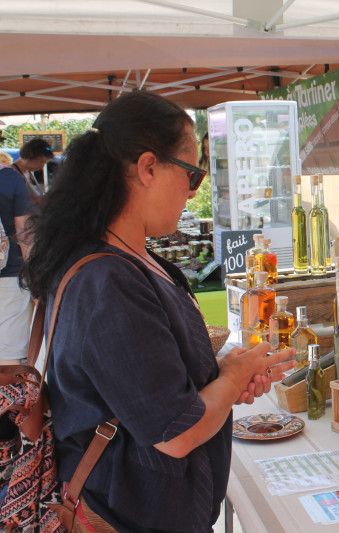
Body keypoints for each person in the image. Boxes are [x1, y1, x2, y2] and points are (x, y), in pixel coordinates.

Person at [20, 91, 295, 531]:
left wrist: (222, 375)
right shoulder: (107, 282)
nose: (193, 191)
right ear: (148, 167)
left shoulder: (131, 260)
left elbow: (152, 383)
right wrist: (231, 378)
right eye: (192, 175)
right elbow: (175, 433)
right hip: (125, 517)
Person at [0, 141, 34, 366]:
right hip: (10, 276)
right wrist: (34, 274)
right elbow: (24, 231)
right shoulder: (10, 179)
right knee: (9, 356)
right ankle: (7, 401)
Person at [12, 138, 54, 203]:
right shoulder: (11, 175)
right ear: (29, 155)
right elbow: (15, 200)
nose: (42, 166)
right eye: (41, 161)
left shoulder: (29, 172)